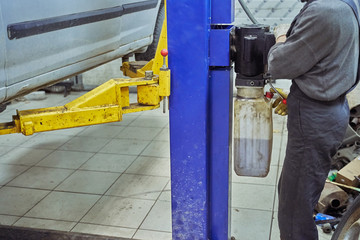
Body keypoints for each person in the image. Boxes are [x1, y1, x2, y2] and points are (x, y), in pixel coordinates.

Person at [267, 0, 360, 239]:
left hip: (315, 117)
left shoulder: (325, 10)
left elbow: (280, 64)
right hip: (330, 107)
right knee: (297, 193)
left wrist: (281, 37)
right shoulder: (346, 3)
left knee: (294, 208)